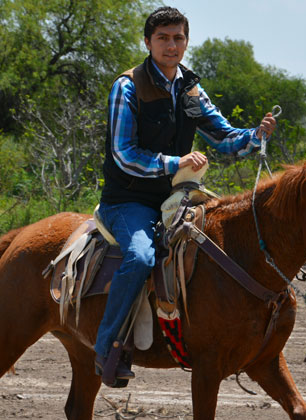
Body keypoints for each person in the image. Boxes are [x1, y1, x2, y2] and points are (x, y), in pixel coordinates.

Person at [94, 6, 277, 386]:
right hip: (128, 201)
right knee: (141, 255)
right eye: (162, 38)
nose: (171, 45)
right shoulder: (127, 86)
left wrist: (254, 136)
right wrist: (175, 161)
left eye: (178, 37)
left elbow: (223, 136)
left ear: (186, 41)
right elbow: (123, 153)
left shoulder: (190, 87)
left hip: (175, 200)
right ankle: (107, 346)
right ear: (147, 42)